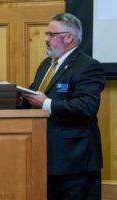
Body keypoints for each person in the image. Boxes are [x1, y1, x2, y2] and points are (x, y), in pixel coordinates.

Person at [19, 13, 105, 199]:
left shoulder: (88, 66)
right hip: (46, 158)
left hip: (76, 163)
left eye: (51, 34)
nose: (46, 39)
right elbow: (35, 95)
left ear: (69, 37)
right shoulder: (46, 65)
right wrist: (18, 98)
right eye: (46, 34)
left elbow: (86, 106)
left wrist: (46, 104)